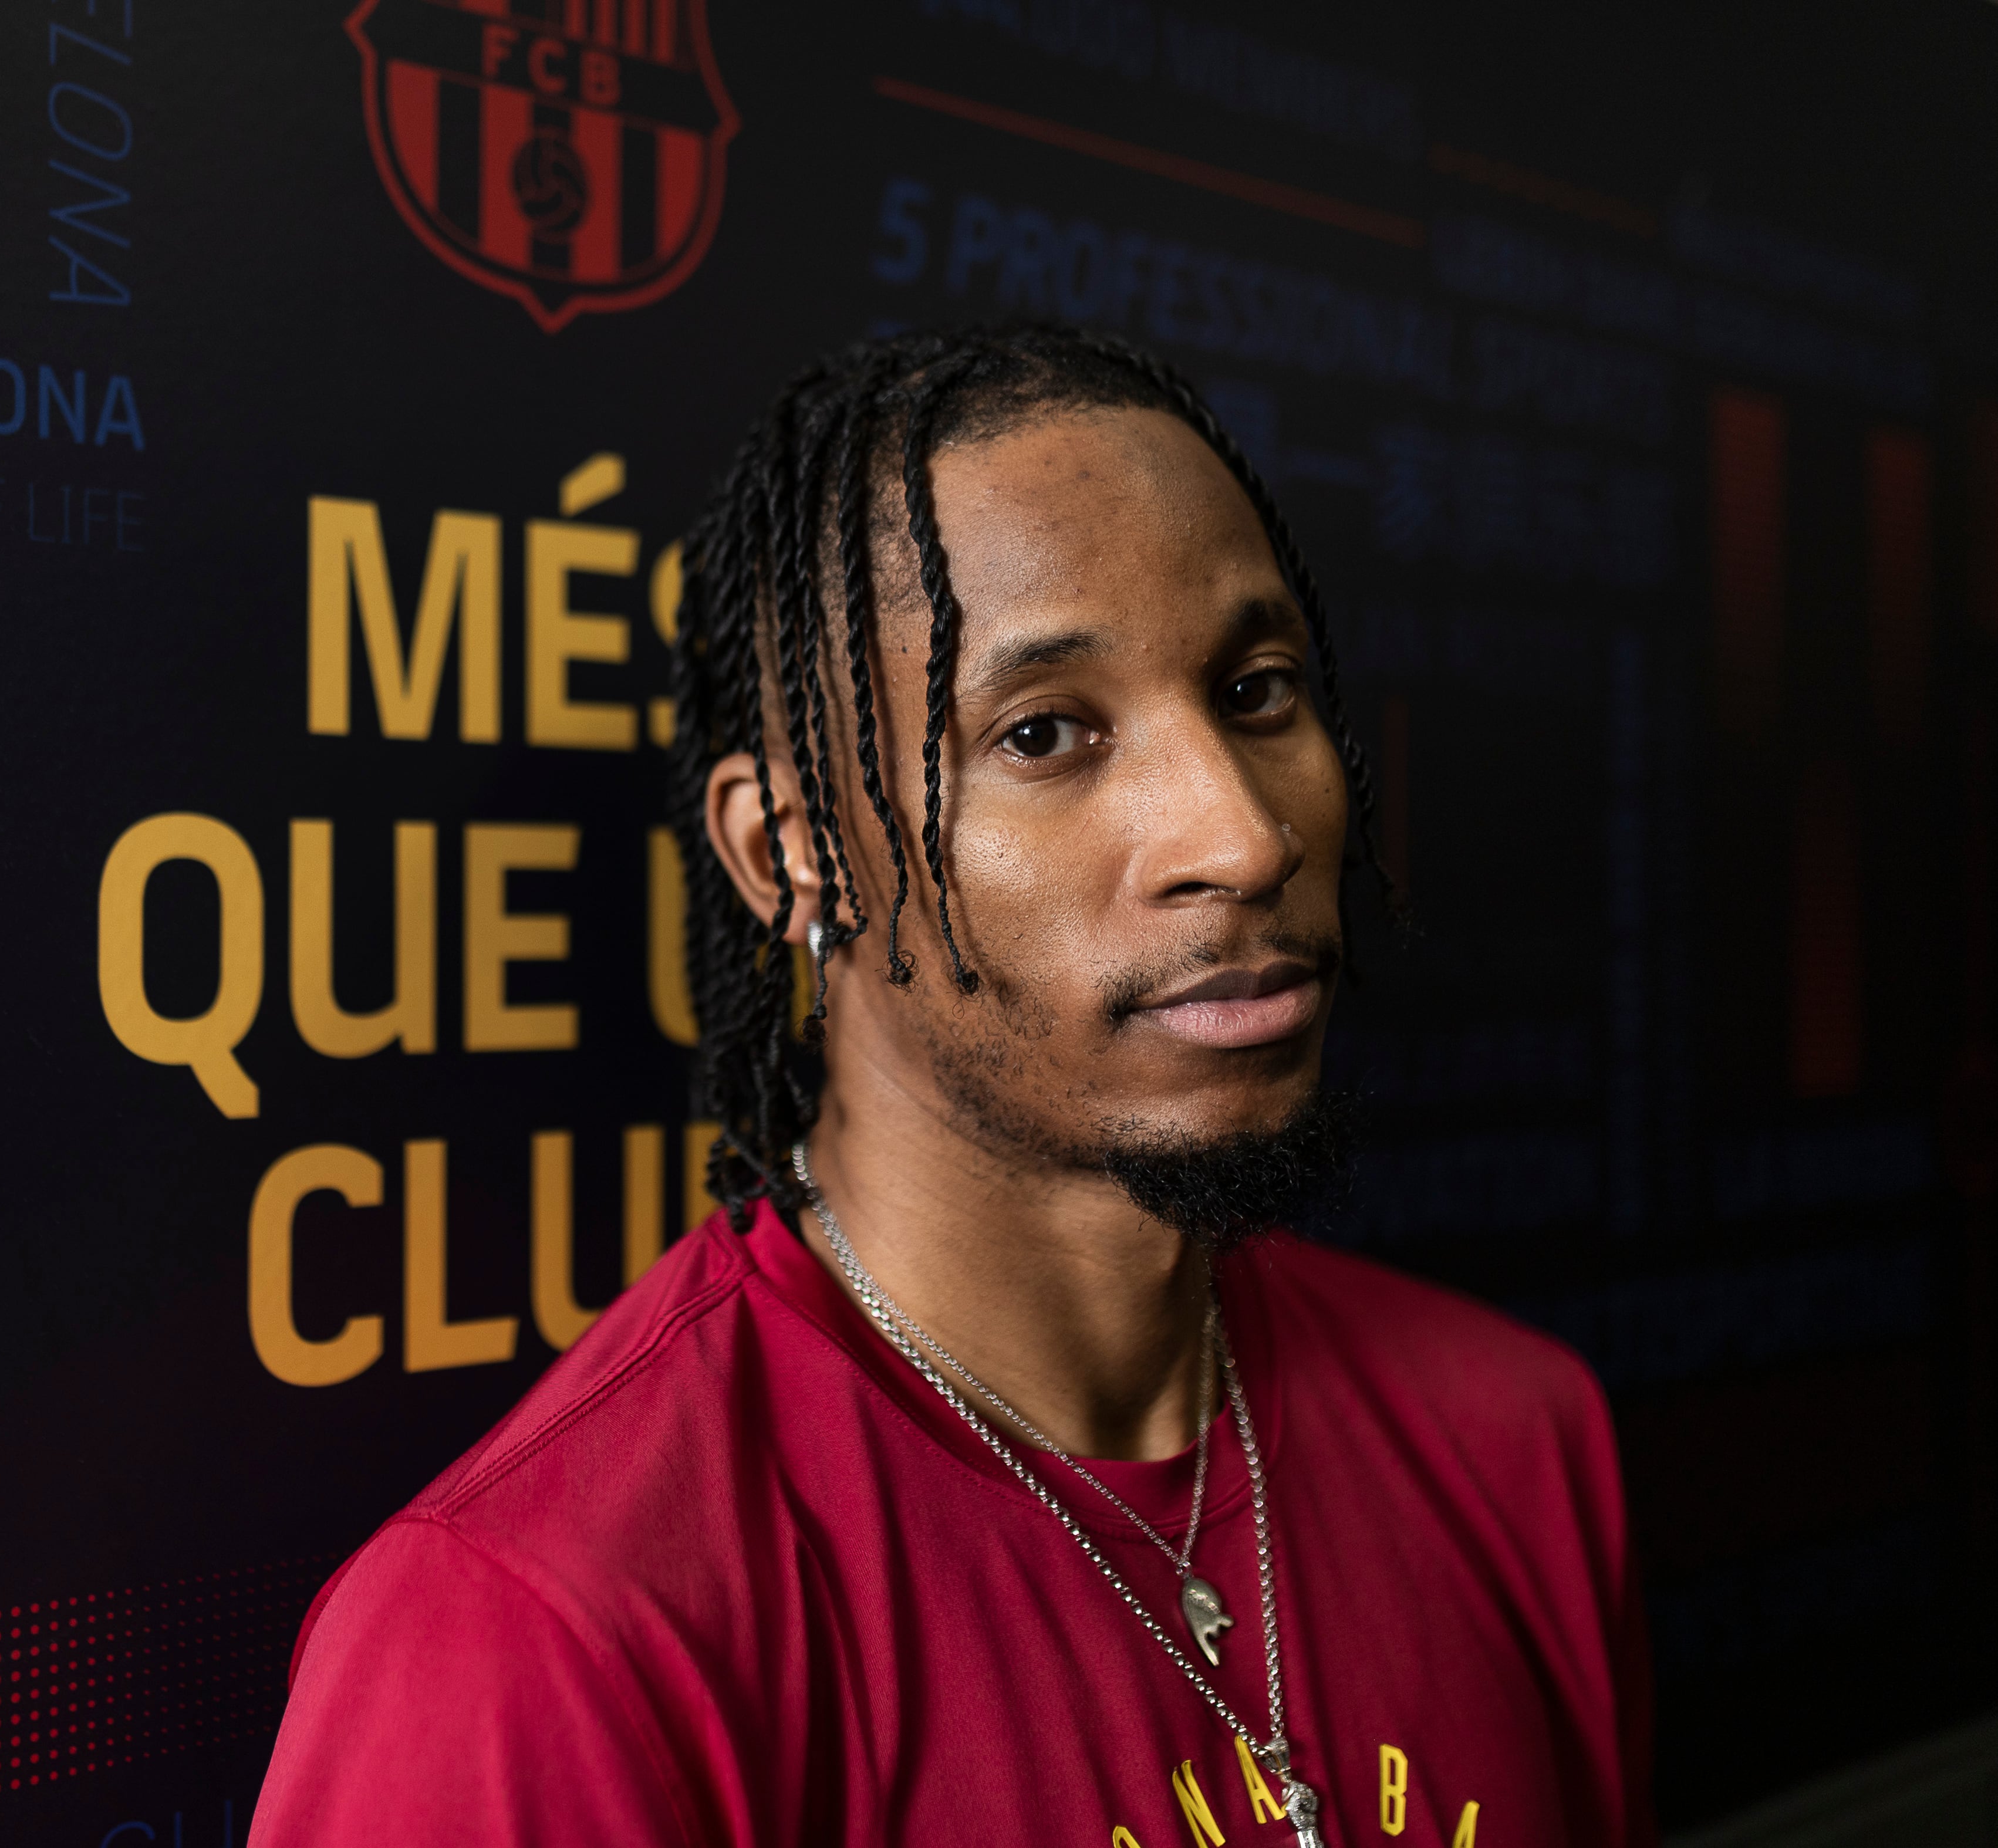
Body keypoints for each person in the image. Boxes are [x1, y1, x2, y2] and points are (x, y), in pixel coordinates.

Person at [251, 326, 1652, 1846]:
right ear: (787, 854)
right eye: (1043, 733)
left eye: (1255, 691)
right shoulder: (533, 1639)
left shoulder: (1515, 1435)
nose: (1241, 839)